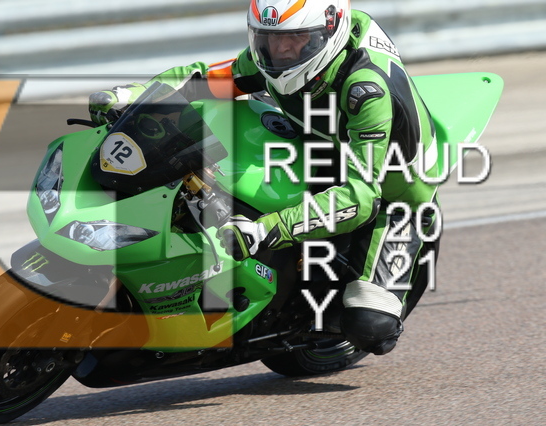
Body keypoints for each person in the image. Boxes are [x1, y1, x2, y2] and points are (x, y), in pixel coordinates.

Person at [88, 0, 441, 356]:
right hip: (318, 144)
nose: (281, 50)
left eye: (297, 38)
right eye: (270, 38)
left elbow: (360, 197)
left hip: (391, 194)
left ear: (329, 30)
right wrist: (134, 95)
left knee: (371, 326)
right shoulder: (275, 58)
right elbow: (202, 81)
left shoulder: (365, 91)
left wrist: (266, 230)